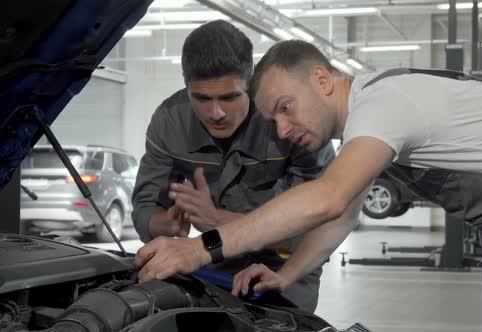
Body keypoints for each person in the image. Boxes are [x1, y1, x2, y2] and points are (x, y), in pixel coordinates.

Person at [134, 39, 482, 331]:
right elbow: (348, 211)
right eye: (273, 118)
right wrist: (288, 273)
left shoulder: (382, 105)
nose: (283, 128)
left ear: (321, 79)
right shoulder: (372, 121)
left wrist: (200, 248)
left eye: (287, 107)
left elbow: (328, 198)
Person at [131, 23, 336, 312]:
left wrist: (218, 220)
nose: (216, 113)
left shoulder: (292, 120)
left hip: (283, 264)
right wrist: (165, 224)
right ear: (185, 84)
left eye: (229, 97)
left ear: (250, 82)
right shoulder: (169, 122)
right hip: (209, 259)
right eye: (201, 98)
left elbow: (316, 229)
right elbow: (145, 206)